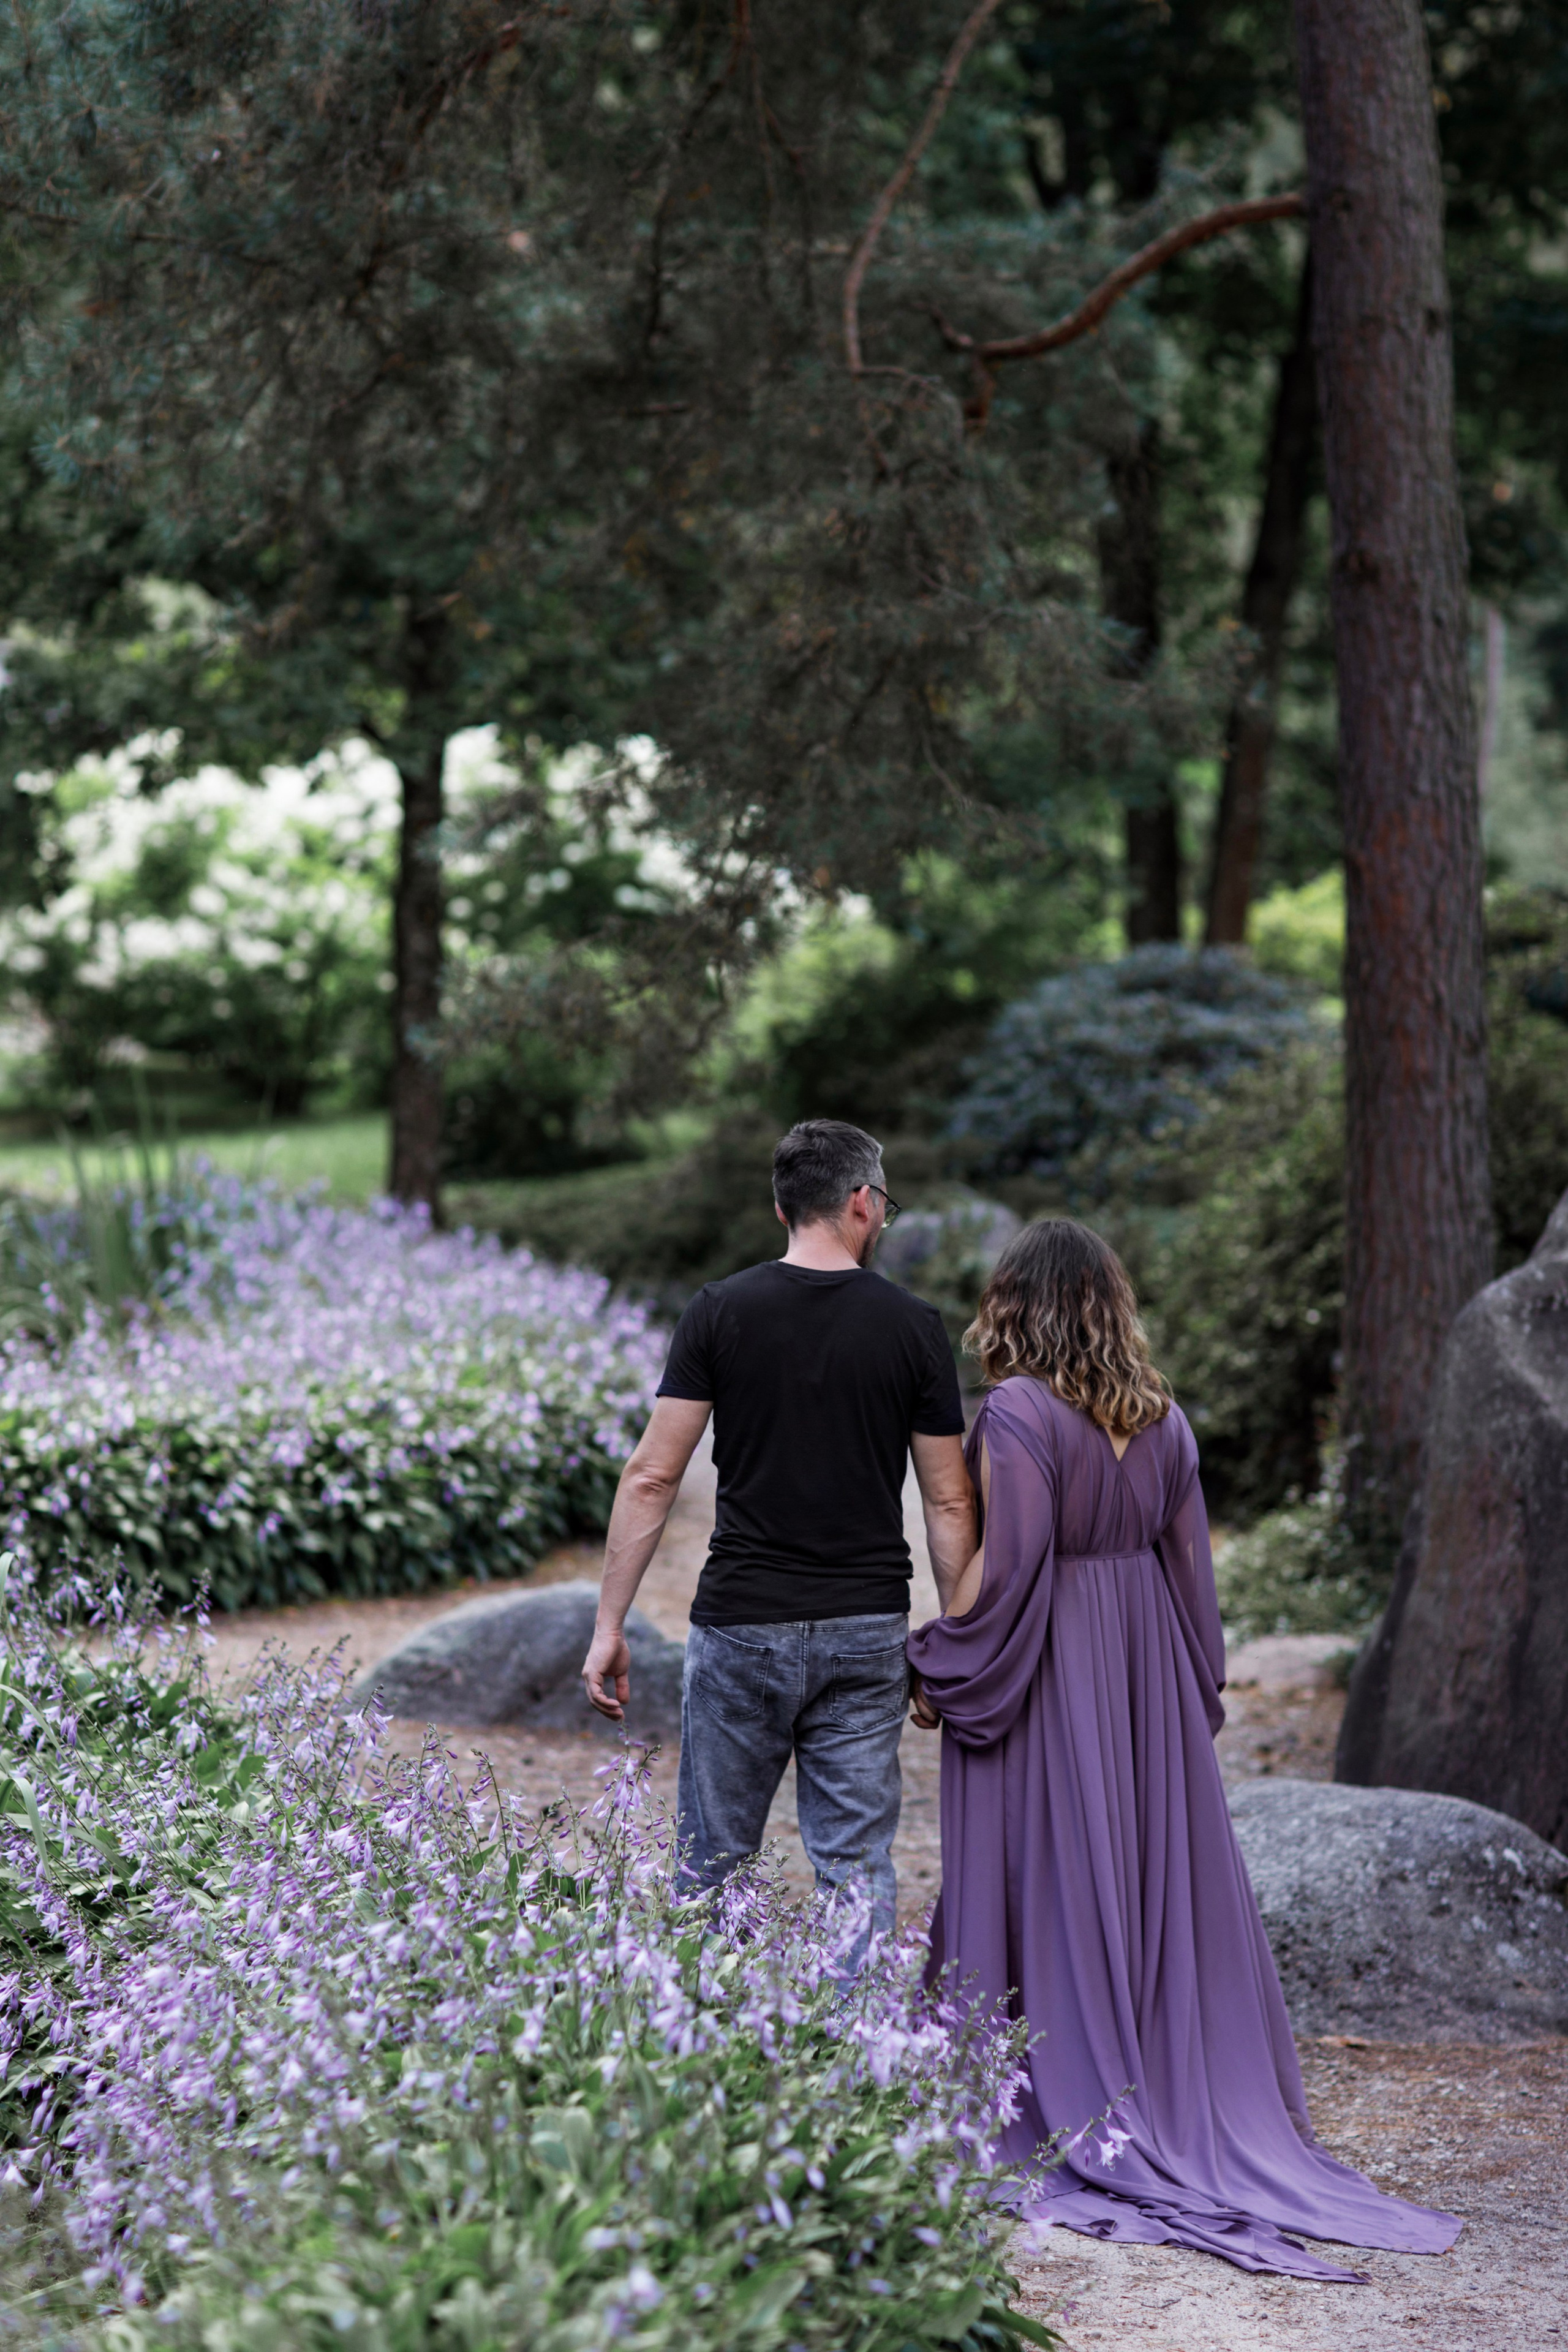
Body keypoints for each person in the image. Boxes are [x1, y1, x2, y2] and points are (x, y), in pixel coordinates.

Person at [907, 1218, 1461, 2282]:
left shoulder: (1019, 1411)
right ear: (1111, 1303)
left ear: (1017, 1303)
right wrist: (1186, 1693)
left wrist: (941, 1660)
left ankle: (1064, 2087)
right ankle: (1157, 2079)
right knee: (1132, 1874)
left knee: (1055, 1871)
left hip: (1055, 1664)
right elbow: (1196, 1587)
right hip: (1146, 1667)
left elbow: (1009, 1567)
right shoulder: (1166, 1421)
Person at [581, 1118, 976, 1937]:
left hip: (741, 1623)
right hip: (867, 1627)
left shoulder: (719, 1312)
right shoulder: (914, 1327)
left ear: (781, 1209)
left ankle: (711, 2048)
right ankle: (848, 2051)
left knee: (712, 1865)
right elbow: (949, 1502)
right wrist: (956, 1639)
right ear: (863, 1203)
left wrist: (610, 1624)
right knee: (854, 1866)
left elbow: (653, 1475)